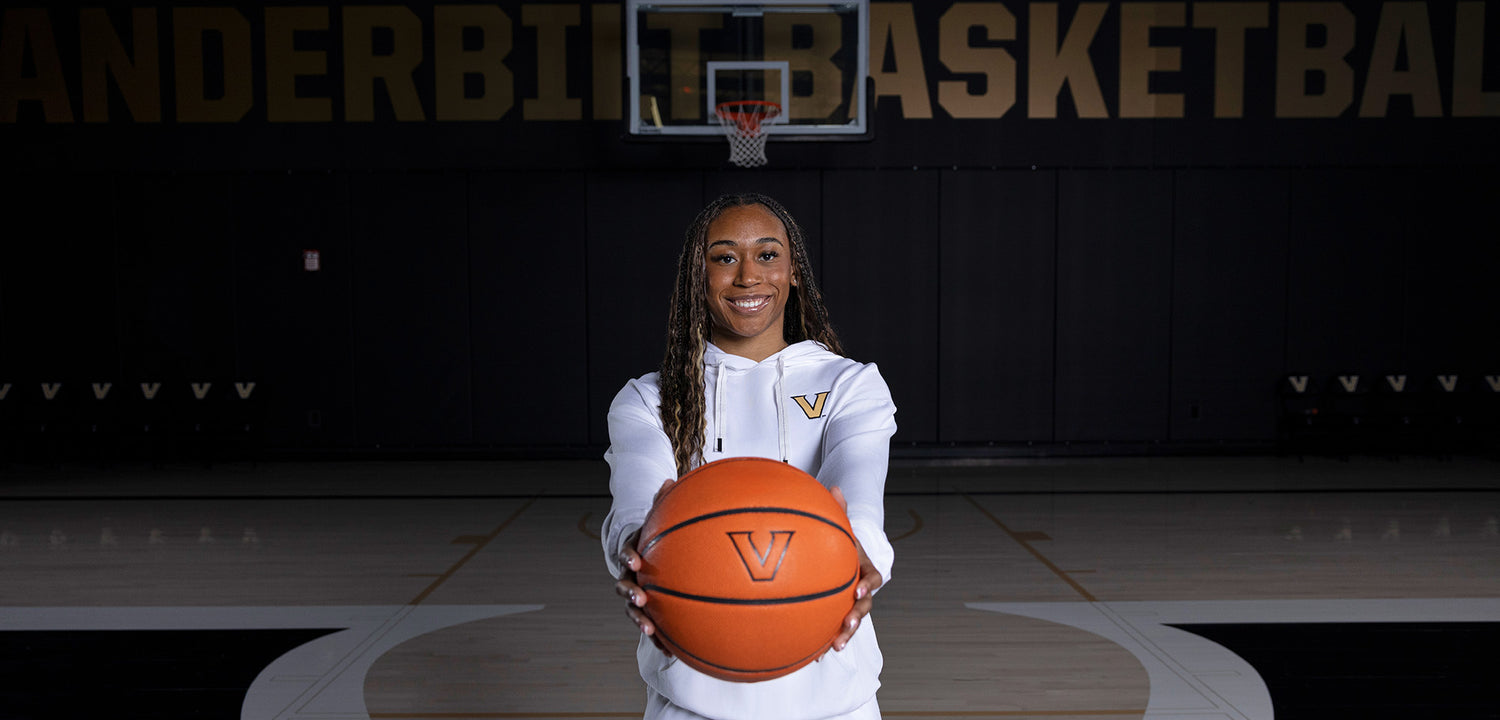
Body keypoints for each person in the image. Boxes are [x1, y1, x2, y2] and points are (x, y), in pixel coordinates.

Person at [601, 193, 898, 720]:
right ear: (699, 276)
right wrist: (637, 554)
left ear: (795, 272)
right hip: (691, 697)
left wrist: (860, 557)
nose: (747, 277)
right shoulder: (649, 399)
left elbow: (858, 493)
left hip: (834, 696)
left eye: (767, 255)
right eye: (723, 257)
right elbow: (636, 502)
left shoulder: (852, 384)